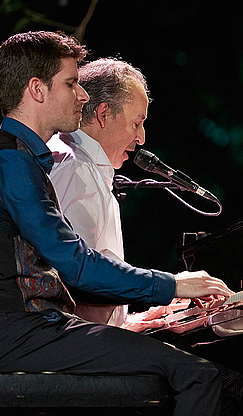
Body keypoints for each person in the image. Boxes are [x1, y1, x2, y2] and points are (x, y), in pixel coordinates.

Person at [0, 30, 234, 416]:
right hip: (17, 336)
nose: (83, 95)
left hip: (28, 331)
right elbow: (76, 264)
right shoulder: (11, 163)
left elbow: (56, 273)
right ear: (37, 89)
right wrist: (171, 285)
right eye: (71, 84)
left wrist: (126, 324)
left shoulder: (20, 159)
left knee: (201, 373)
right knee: (199, 376)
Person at [47, 58, 185, 332]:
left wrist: (129, 322)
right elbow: (72, 281)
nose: (142, 138)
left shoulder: (87, 166)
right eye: (137, 123)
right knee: (208, 375)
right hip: (75, 349)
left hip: (86, 340)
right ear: (103, 114)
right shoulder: (76, 168)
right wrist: (171, 286)